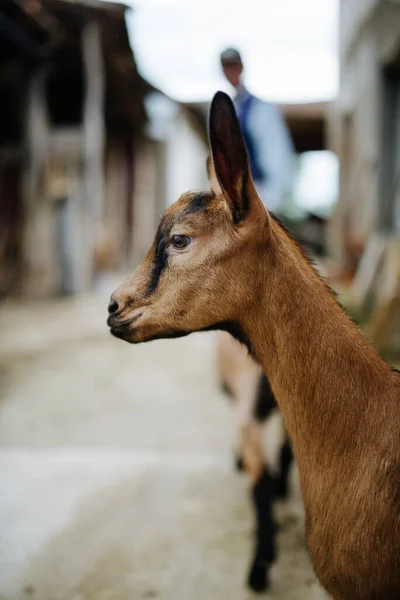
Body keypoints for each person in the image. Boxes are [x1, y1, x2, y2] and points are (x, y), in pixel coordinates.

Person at [220, 47, 294, 213]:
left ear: (241, 67)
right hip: (234, 194)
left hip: (260, 192)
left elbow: (276, 153)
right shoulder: (229, 108)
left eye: (233, 66)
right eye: (226, 67)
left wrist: (272, 198)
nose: (230, 71)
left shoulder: (261, 109)